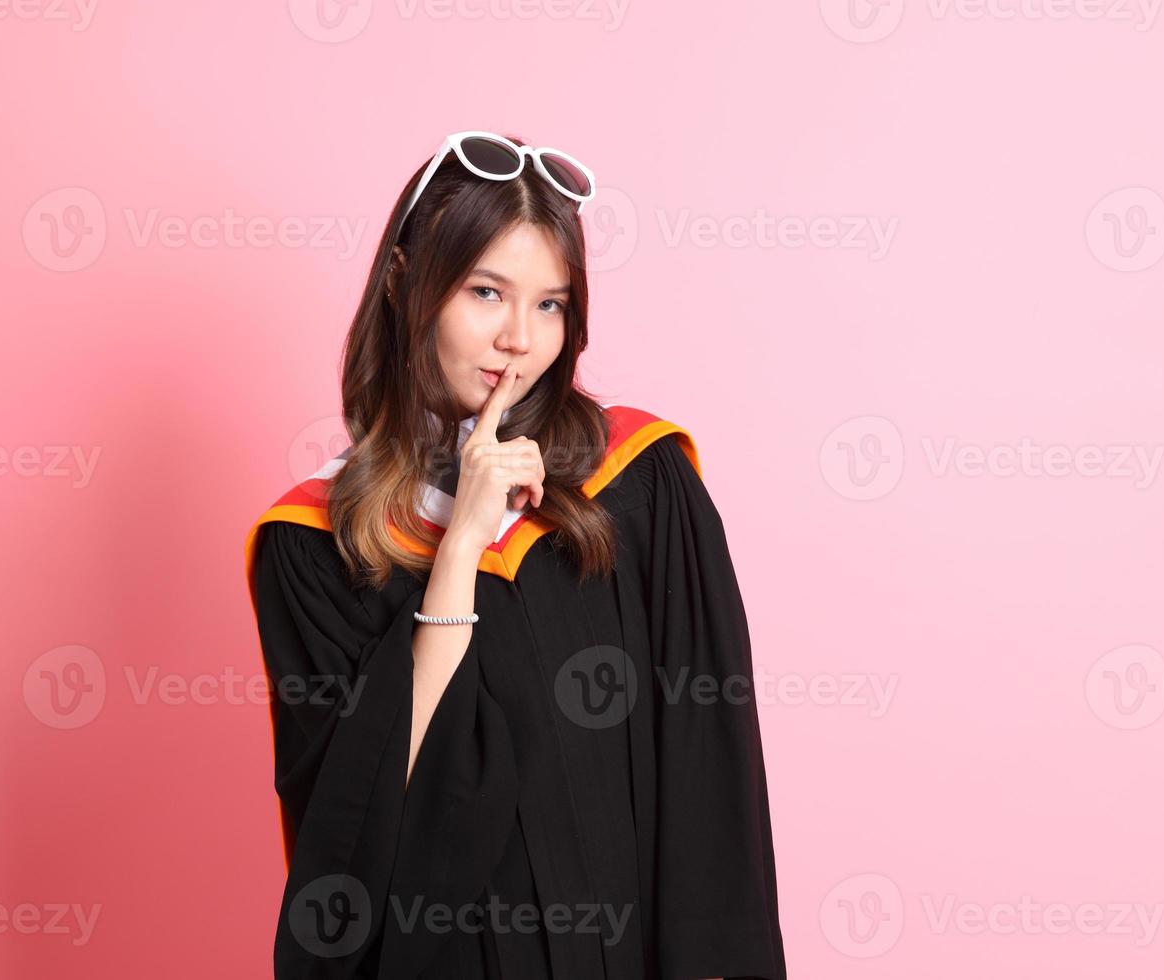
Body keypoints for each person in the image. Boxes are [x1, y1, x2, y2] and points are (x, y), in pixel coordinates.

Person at [241, 132, 787, 978]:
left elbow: (710, 766)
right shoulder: (315, 544)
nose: (518, 341)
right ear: (402, 282)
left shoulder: (640, 482)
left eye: (550, 304)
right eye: (486, 292)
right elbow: (360, 816)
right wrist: (461, 540)